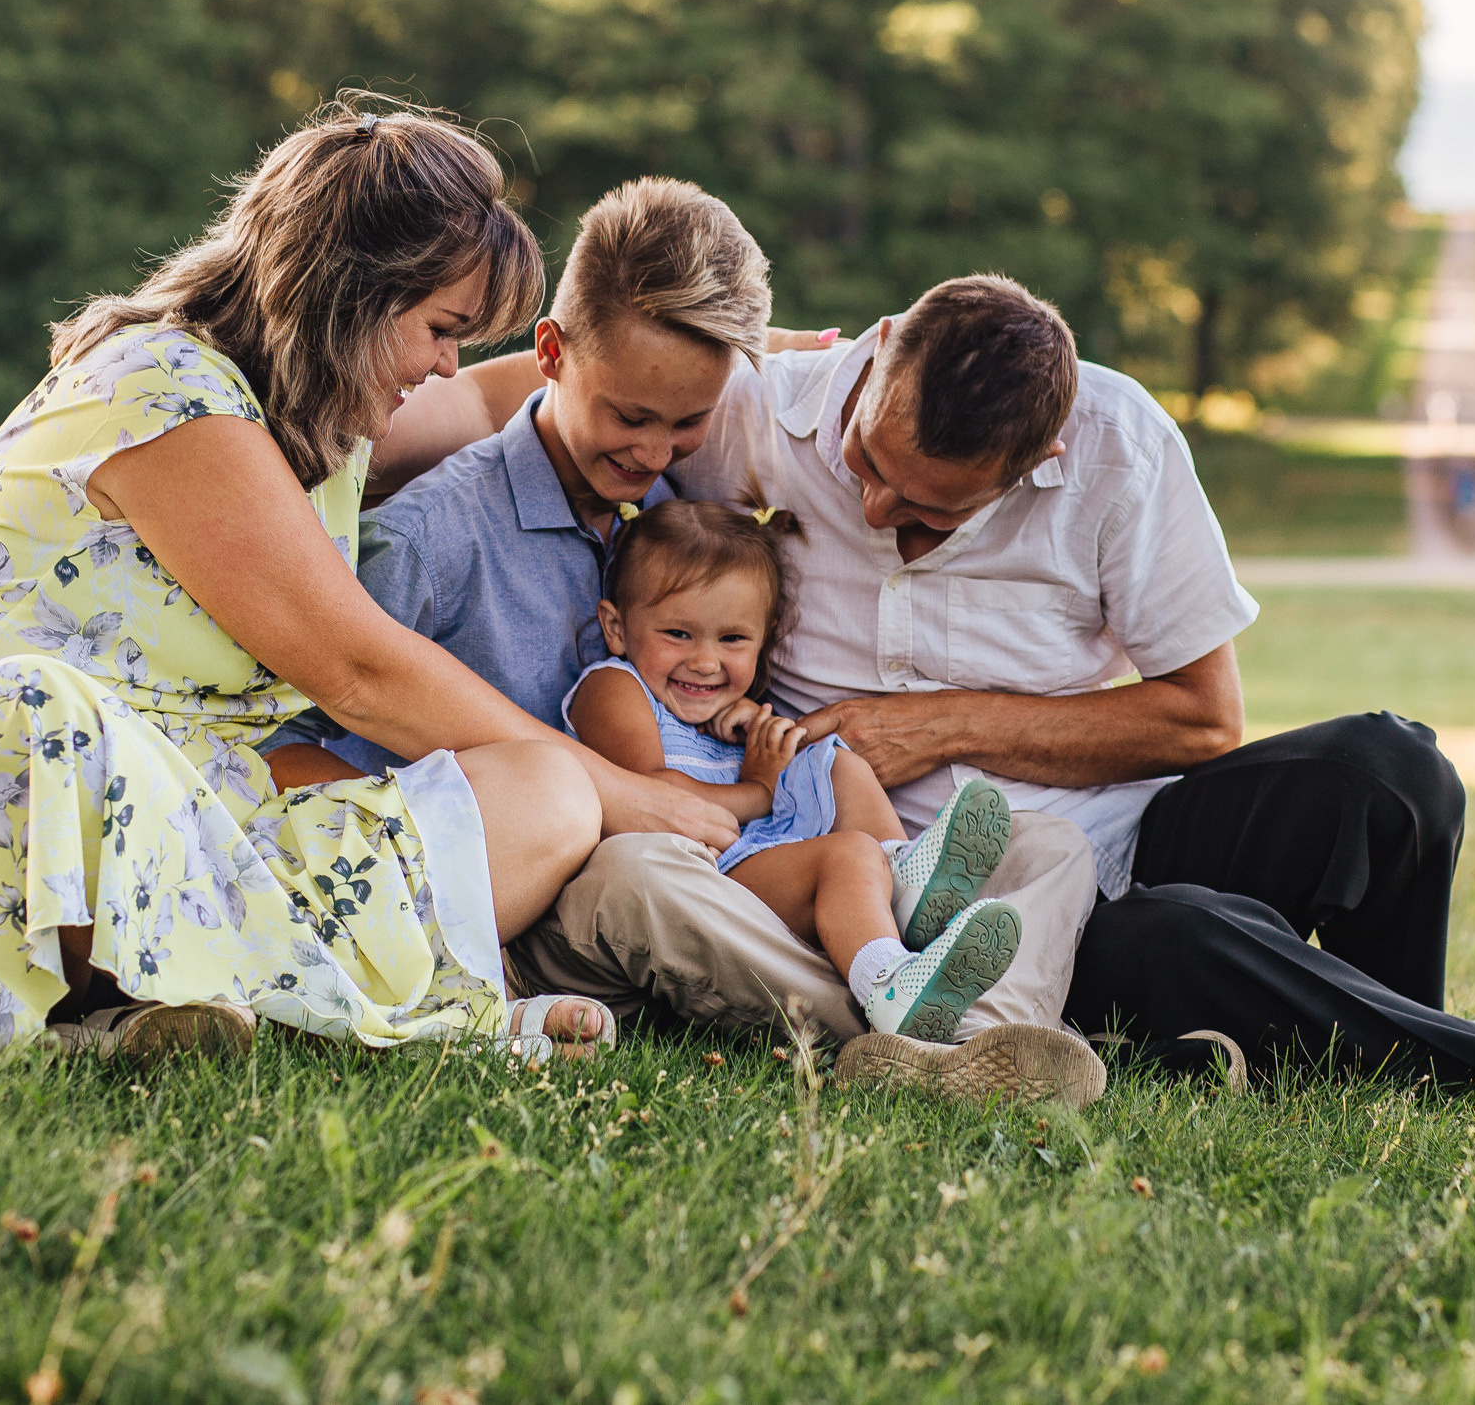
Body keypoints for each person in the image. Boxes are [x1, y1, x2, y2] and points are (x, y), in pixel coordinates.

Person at [393, 270, 1475, 1120]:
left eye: (925, 506)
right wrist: (334, 406)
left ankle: (1385, 1043)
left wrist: (943, 720)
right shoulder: (769, 417)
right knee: (1190, 937)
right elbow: (559, 391)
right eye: (868, 468)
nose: (874, 505)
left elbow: (1202, 719)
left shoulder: (1116, 444)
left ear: (1034, 461)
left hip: (1103, 819)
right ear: (877, 356)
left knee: (1392, 765)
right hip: (911, 877)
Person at [0, 98, 729, 1065]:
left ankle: (190, 1005)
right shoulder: (162, 391)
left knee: (545, 794)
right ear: (353, 293)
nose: (444, 361)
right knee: (31, 705)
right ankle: (278, 999)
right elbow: (358, 671)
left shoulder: (318, 417)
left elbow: (500, 396)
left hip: (191, 818)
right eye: (440, 326)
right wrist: (630, 792)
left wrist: (761, 355)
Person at [265, 177, 1104, 1107]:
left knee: (1047, 845)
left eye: (689, 421)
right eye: (630, 415)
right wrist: (528, 827)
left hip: (740, 858)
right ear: (551, 353)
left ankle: (976, 1039)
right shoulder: (433, 540)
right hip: (571, 885)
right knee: (642, 870)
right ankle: (917, 1042)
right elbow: (277, 753)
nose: (656, 452)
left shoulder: (679, 512)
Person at [565, 497, 1025, 1042]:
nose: (706, 662)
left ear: (765, 636)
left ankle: (900, 877)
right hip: (702, 879)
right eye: (678, 635)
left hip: (755, 858)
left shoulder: (722, 713)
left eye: (732, 639)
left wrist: (755, 740)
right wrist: (760, 786)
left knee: (836, 763)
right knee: (846, 855)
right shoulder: (613, 687)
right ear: (617, 627)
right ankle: (888, 987)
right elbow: (650, 795)